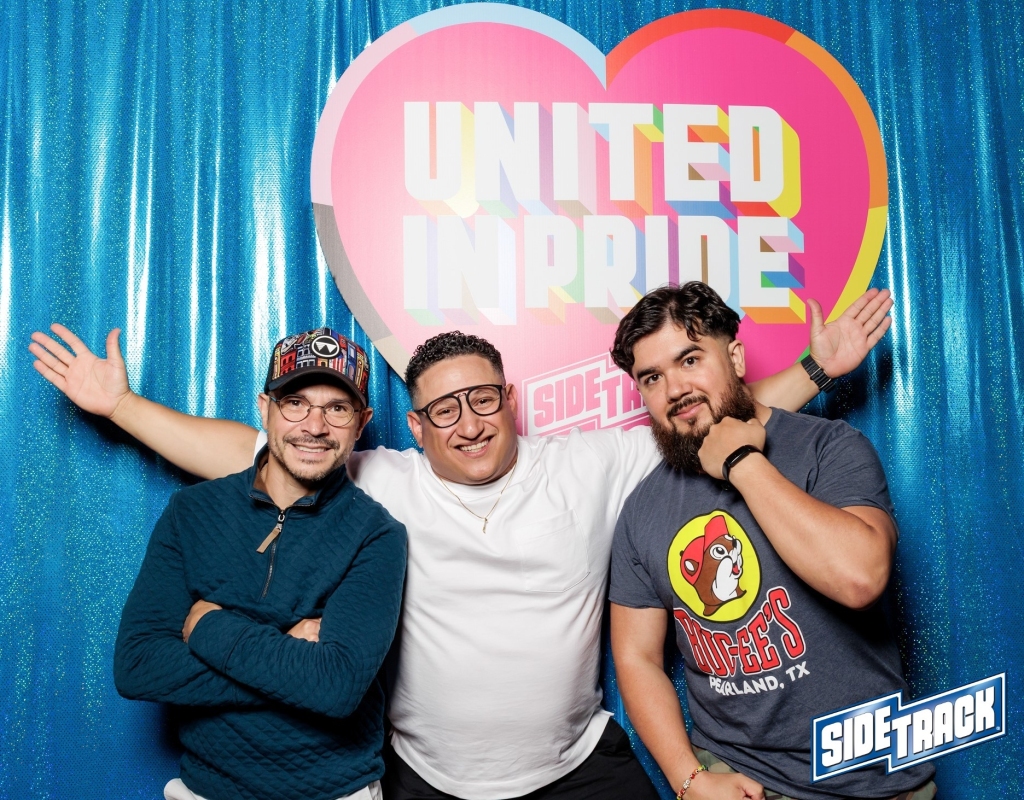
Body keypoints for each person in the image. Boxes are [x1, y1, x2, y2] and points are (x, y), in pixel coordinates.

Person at [30, 288, 893, 800]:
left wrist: (818, 371)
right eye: (443, 409)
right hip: (423, 779)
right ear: (414, 426)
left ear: (510, 400)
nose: (468, 422)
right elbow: (247, 451)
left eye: (483, 399)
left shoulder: (591, 464)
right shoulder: (381, 482)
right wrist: (122, 407)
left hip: (576, 767)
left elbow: (703, 421)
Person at [607, 283, 936, 800]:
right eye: (653, 377)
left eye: (690, 360)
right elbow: (636, 657)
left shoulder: (827, 447)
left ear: (735, 358)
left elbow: (859, 578)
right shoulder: (642, 509)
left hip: (874, 777)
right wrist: (689, 780)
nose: (674, 389)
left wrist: (742, 463)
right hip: (743, 781)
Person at [113, 327, 407, 800]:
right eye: (295, 403)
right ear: (265, 408)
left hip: (336, 792)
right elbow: (139, 665)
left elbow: (335, 688)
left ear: (362, 422)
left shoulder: (378, 535)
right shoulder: (192, 512)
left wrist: (208, 627)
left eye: (337, 408)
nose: (315, 426)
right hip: (207, 789)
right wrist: (286, 652)